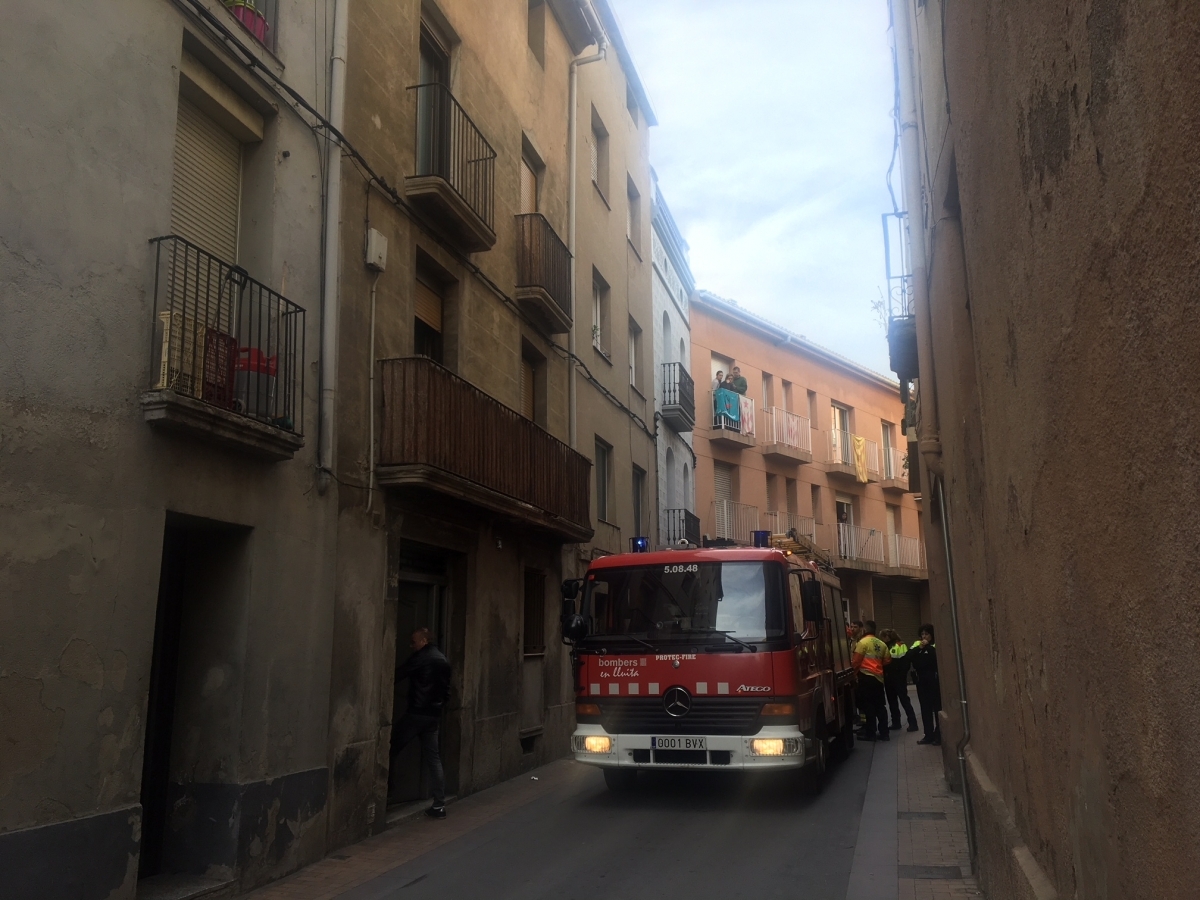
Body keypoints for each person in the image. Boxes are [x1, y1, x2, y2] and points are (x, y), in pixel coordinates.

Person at [392, 627, 452, 818]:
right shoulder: (443, 659)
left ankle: (385, 795)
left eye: (414, 641)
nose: (411, 645)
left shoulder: (420, 658)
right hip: (433, 716)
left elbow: (398, 675)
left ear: (424, 641)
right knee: (434, 759)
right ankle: (439, 804)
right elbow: (447, 691)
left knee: (390, 749)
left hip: (416, 714)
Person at [851, 619, 890, 741]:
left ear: (865, 630)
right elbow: (887, 660)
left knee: (868, 707)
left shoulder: (862, 643)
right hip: (878, 679)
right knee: (880, 706)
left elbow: (856, 662)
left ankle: (871, 733)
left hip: (865, 678)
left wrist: (853, 676)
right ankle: (884, 733)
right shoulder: (882, 644)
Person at [880, 628, 919, 733]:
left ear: (887, 637)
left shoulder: (899, 646)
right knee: (893, 702)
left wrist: (900, 675)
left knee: (904, 701)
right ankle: (896, 722)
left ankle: (913, 723)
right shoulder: (887, 647)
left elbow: (905, 663)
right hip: (890, 678)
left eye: (883, 637)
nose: (882, 640)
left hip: (897, 678)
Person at [910, 624, 941, 745]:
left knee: (937, 708)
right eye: (922, 634)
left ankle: (938, 734)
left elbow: (935, 659)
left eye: (926, 634)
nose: (924, 636)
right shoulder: (917, 646)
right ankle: (928, 735)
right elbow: (909, 656)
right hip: (921, 680)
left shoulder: (934, 646)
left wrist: (928, 648)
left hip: (933, 680)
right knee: (925, 709)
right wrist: (919, 648)